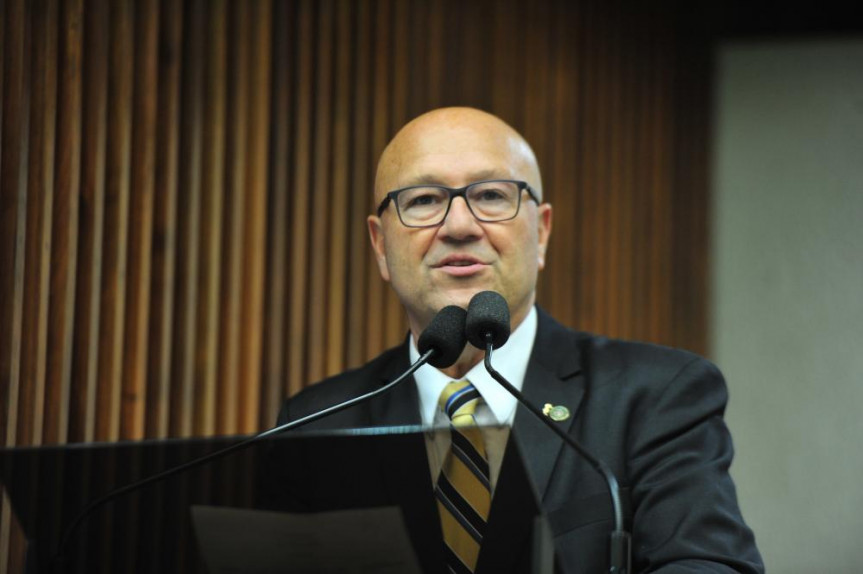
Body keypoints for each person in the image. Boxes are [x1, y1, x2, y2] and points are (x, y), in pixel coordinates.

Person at [277, 107, 763, 573]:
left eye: (491, 195)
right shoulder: (317, 425)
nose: (459, 226)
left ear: (542, 232)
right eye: (424, 200)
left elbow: (709, 563)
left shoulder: (655, 396)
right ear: (381, 245)